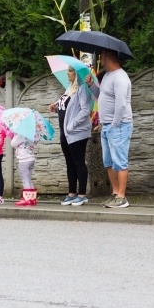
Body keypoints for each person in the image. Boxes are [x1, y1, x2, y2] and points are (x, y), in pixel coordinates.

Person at [87, 49, 133, 209]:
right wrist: (92, 86)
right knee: (108, 162)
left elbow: (121, 105)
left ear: (108, 57)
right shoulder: (107, 76)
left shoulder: (121, 78)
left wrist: (114, 124)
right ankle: (115, 193)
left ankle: (122, 197)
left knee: (120, 161)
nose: (101, 59)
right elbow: (101, 96)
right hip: (107, 125)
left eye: (102, 56)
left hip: (119, 125)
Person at [49, 67, 92, 206]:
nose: (67, 73)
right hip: (65, 132)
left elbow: (86, 110)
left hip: (77, 133)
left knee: (78, 162)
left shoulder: (82, 89)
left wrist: (72, 125)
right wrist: (56, 108)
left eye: (71, 71)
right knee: (69, 163)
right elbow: (67, 110)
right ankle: (72, 193)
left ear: (77, 74)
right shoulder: (68, 89)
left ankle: (82, 194)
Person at [12, 133, 38, 206]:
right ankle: (32, 199)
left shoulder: (21, 133)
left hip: (24, 159)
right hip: (31, 158)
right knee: (28, 179)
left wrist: (15, 136)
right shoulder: (33, 134)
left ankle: (27, 199)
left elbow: (13, 144)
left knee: (25, 180)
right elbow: (33, 144)